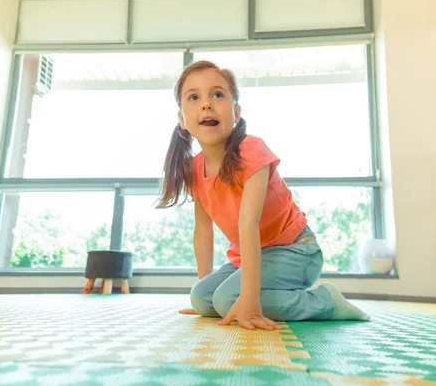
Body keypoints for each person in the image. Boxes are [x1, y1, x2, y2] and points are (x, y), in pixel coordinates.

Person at [157, 60, 370, 331]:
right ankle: (230, 298)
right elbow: (202, 231)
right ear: (181, 119)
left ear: (236, 112)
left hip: (297, 251)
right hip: (252, 256)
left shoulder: (251, 150)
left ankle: (326, 301)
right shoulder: (194, 169)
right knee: (202, 297)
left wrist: (246, 299)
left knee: (228, 299)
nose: (206, 104)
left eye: (218, 94)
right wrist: (205, 297)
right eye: (194, 97)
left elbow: (249, 224)